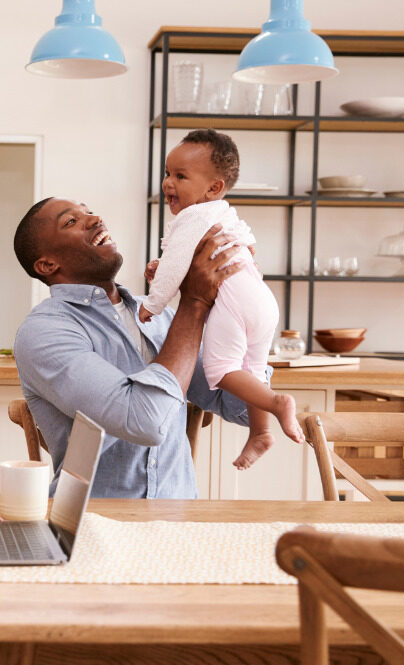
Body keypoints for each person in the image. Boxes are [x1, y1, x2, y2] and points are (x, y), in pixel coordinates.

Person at [12, 194, 261, 499]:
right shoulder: (44, 332)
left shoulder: (159, 317)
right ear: (48, 264)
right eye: (72, 221)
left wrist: (243, 303)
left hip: (177, 520)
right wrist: (194, 303)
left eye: (89, 210)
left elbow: (242, 408)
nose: (95, 219)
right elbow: (143, 422)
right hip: (93, 522)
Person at [138, 129, 304, 469]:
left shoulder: (193, 217)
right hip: (259, 298)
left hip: (235, 304)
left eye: (181, 176)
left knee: (223, 369)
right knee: (252, 369)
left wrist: (151, 304)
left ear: (214, 188)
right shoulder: (222, 215)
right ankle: (261, 433)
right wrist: (166, 269)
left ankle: (277, 403)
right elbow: (214, 257)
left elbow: (178, 268)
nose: (169, 183)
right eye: (168, 173)